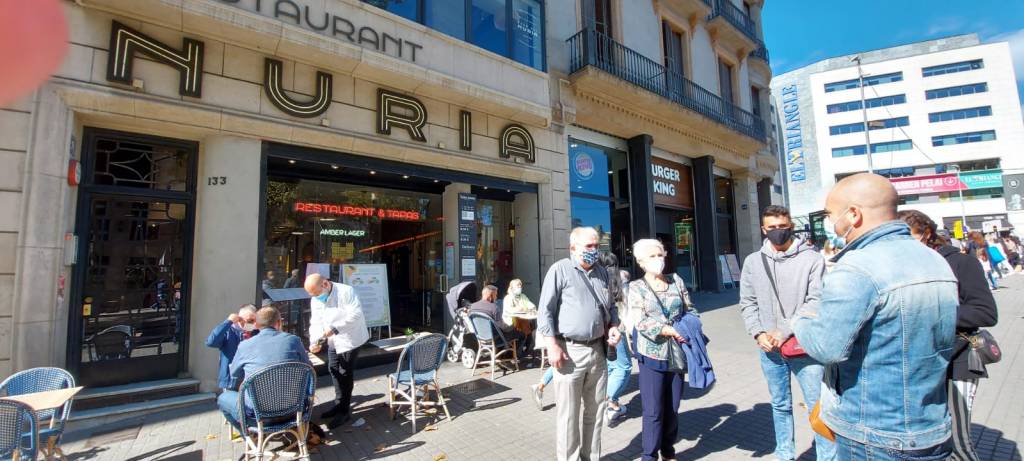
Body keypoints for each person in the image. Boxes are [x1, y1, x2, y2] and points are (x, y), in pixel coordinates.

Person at [791, 173, 958, 460]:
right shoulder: (934, 259)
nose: (830, 223)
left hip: (873, 432)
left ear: (853, 214)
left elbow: (825, 347)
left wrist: (801, 320)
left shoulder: (857, 267)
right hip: (931, 425)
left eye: (831, 215)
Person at [899, 210, 998, 461]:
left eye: (908, 236)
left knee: (958, 444)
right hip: (919, 364)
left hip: (958, 360)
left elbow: (985, 312)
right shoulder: (906, 268)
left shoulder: (961, 263)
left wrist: (933, 312)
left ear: (926, 233)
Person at [739, 205, 835, 461]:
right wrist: (758, 333)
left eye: (782, 227)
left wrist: (783, 332)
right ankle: (785, 455)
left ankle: (827, 457)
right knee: (780, 405)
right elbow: (747, 302)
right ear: (763, 229)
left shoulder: (812, 259)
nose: (777, 232)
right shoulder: (753, 261)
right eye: (772, 228)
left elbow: (816, 300)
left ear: (791, 226)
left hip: (804, 347)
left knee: (817, 406)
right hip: (768, 349)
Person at [537, 227, 621, 461]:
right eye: (589, 246)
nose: (594, 250)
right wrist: (552, 346)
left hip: (598, 351)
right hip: (568, 352)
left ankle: (591, 457)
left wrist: (614, 326)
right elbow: (545, 312)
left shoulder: (602, 273)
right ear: (573, 248)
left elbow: (611, 306)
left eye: (597, 246)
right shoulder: (560, 270)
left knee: (595, 413)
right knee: (568, 416)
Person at [629, 239, 692, 461]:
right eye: (652, 256)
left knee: (672, 407)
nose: (658, 259)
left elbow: (689, 308)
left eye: (660, 254)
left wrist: (689, 327)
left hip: (676, 354)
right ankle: (649, 455)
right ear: (641, 262)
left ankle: (668, 450)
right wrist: (667, 329)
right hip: (651, 354)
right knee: (654, 410)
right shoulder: (636, 287)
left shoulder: (676, 281)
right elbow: (640, 321)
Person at [217, 307, 312, 433]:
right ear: (279, 322)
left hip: (258, 414)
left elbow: (234, 374)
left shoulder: (245, 345)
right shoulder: (293, 340)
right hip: (294, 410)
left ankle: (249, 437)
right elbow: (308, 367)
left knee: (222, 398)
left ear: (256, 324)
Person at [305, 273, 369, 429]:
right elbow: (316, 321)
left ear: (325, 284)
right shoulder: (316, 298)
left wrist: (334, 329)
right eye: (313, 295)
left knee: (345, 372)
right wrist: (314, 341)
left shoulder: (346, 291)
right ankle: (338, 404)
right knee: (333, 369)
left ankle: (344, 411)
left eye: (317, 294)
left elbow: (355, 314)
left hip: (350, 338)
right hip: (333, 339)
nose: (316, 297)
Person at [602, 257, 632, 427]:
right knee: (623, 367)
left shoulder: (597, 281)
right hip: (617, 331)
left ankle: (612, 403)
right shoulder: (620, 283)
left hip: (600, 331)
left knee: (612, 366)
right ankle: (608, 401)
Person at [206, 304, 258, 391]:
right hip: (232, 381)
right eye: (251, 321)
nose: (254, 324)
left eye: (256, 320)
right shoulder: (229, 331)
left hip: (251, 378)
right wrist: (228, 322)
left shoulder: (256, 332)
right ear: (239, 319)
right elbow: (211, 342)